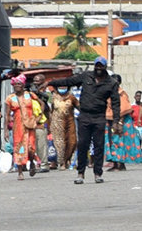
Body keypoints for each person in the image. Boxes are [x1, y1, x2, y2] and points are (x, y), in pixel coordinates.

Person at [45, 56, 122, 185]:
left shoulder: (111, 83)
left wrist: (116, 121)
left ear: (104, 67)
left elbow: (116, 104)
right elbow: (69, 81)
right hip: (84, 116)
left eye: (101, 66)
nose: (98, 68)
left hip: (99, 117)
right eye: (96, 65)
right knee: (83, 145)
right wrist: (51, 82)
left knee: (98, 146)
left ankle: (98, 173)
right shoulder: (86, 76)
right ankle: (80, 173)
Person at [4, 75, 41, 180]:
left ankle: (32, 163)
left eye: (19, 84)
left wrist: (38, 117)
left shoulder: (29, 95)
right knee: (19, 148)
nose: (17, 86)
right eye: (15, 84)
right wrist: (6, 130)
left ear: (23, 85)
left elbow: (41, 104)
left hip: (30, 125)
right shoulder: (10, 98)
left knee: (30, 148)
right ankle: (20, 172)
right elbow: (6, 115)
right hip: (18, 127)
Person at [105, 75, 142, 171]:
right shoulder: (109, 93)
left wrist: (119, 122)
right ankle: (115, 163)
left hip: (120, 121)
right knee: (112, 141)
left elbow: (123, 109)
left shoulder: (121, 94)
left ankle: (119, 164)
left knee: (119, 141)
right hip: (111, 120)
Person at [49, 82, 78, 171]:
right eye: (60, 86)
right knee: (60, 143)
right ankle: (62, 162)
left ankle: (68, 159)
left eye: (64, 86)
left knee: (72, 142)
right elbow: (50, 110)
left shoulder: (71, 97)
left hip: (69, 122)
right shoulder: (53, 98)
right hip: (57, 123)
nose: (62, 88)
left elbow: (79, 106)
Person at [28, 74, 51, 173]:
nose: (36, 83)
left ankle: (44, 165)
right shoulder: (29, 93)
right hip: (30, 121)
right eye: (34, 81)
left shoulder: (47, 93)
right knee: (32, 145)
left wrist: (38, 94)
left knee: (41, 144)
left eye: (38, 81)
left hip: (42, 121)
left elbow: (47, 107)